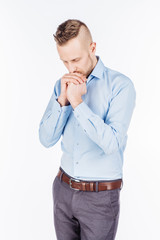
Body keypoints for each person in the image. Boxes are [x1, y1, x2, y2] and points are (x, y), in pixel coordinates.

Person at [38, 19, 136, 240]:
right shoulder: (61, 85)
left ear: (92, 48)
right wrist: (62, 100)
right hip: (62, 190)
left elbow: (112, 143)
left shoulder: (121, 86)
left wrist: (78, 104)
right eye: (64, 62)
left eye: (75, 59)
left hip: (99, 199)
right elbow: (46, 139)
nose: (71, 68)